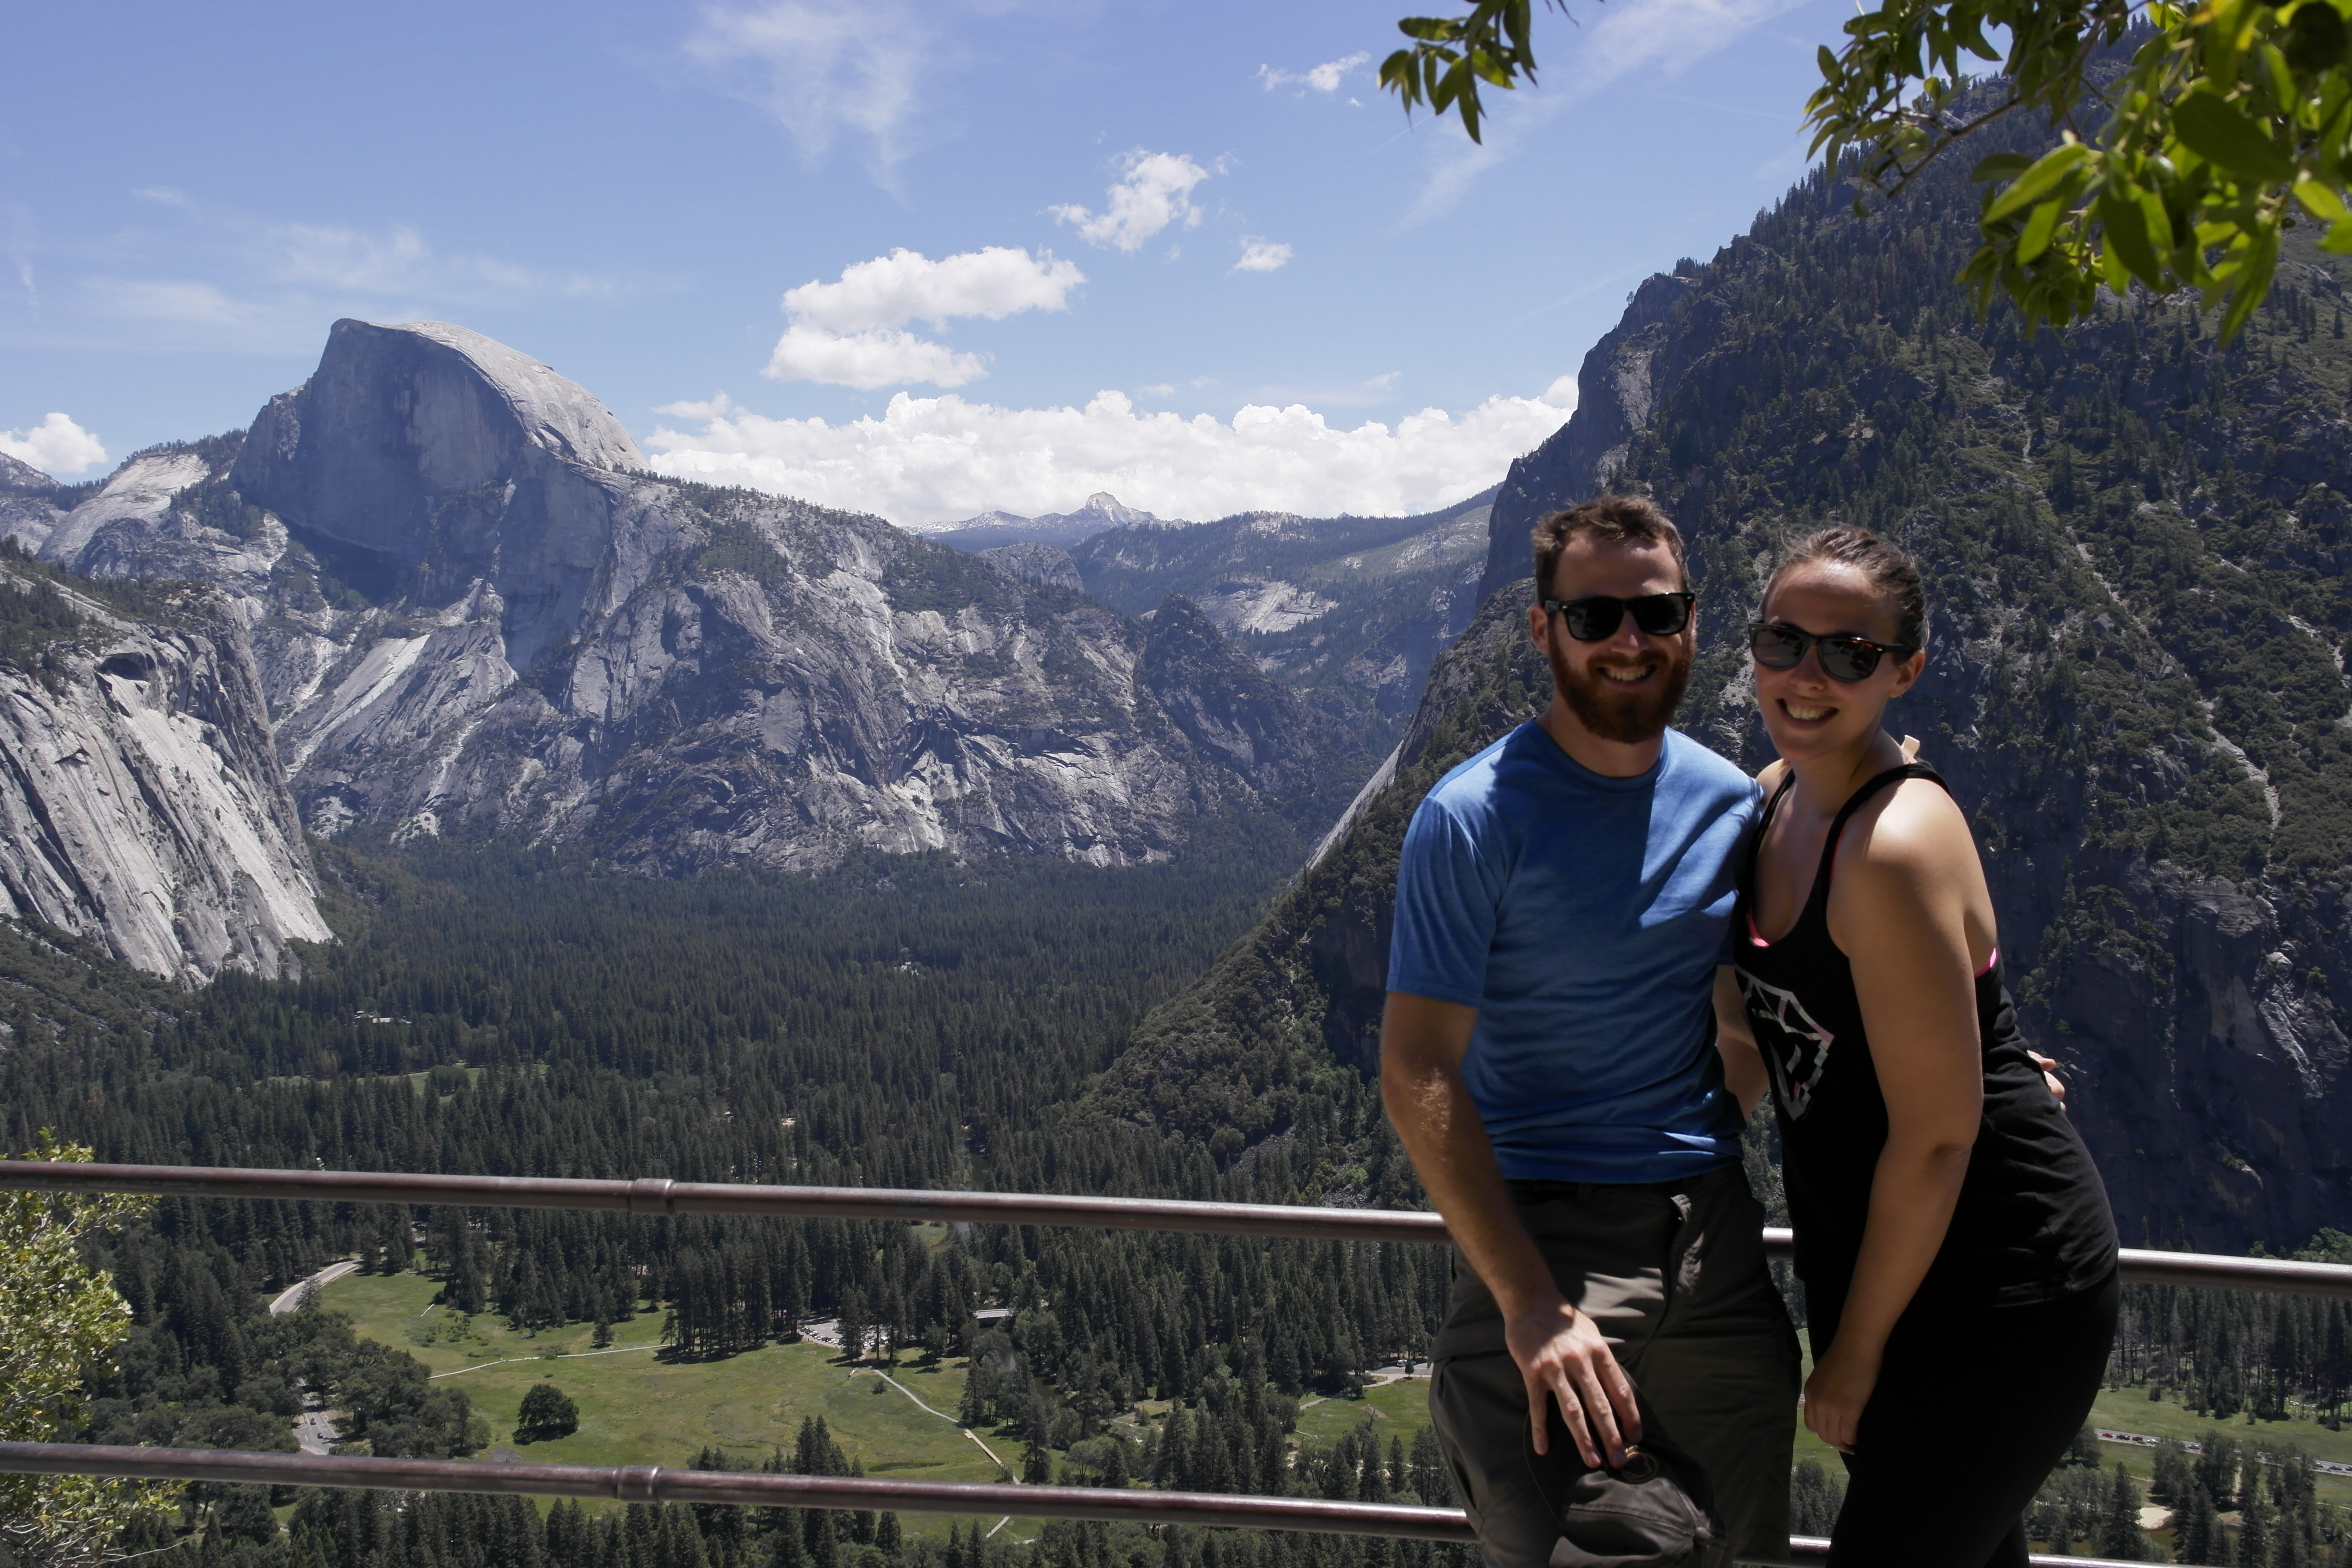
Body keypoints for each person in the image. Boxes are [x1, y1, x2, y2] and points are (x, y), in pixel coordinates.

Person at [1382, 496, 1798, 1568]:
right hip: (1549, 1246)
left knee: (1744, 1548)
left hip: (1716, 1251)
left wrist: (1987, 1051)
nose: (1628, 640)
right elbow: (1417, 1067)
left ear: (1692, 622)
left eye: (1655, 613)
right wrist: (1530, 1304)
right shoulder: (1472, 817)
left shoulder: (1731, 806)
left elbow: (1762, 1008)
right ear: (1542, 629)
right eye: (1593, 616)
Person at [1733, 527, 2118, 1568]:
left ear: (1904, 672)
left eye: (1850, 653)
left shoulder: (1893, 845)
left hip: (1997, 1283)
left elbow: (1943, 1137)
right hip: (1881, 1262)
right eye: (1784, 641)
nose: (1808, 675)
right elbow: (1752, 1031)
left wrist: (1856, 1352)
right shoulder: (1773, 798)